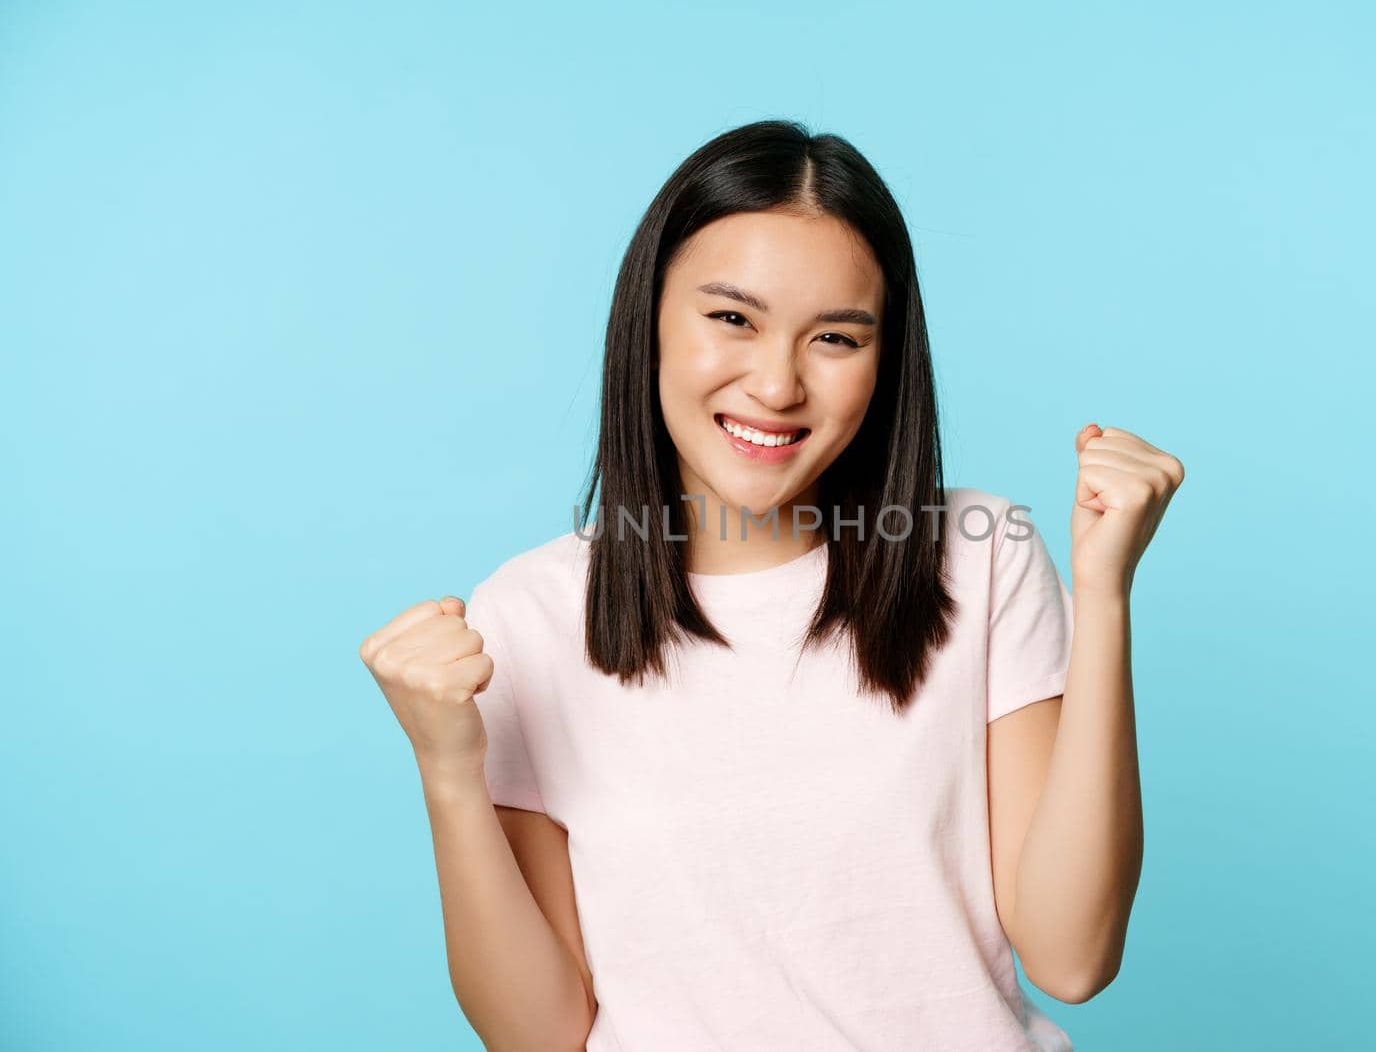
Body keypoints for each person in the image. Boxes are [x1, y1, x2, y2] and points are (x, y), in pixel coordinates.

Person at [359, 119, 1183, 1051]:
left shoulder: (978, 555)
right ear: (651, 318)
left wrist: (1104, 593)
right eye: (732, 319)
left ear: (886, 362)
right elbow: (540, 1035)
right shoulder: (533, 615)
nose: (778, 384)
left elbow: (1074, 956)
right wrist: (449, 773)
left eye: (835, 336)